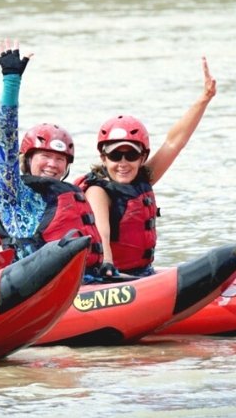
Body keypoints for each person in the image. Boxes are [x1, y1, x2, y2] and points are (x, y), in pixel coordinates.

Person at [0, 38, 105, 275]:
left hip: (84, 281)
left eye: (60, 158)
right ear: (27, 159)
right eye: (45, 155)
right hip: (37, 289)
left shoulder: (66, 193)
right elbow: (6, 137)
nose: (53, 164)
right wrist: (11, 80)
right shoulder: (11, 192)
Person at [79, 57, 218, 277]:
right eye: (115, 155)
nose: (123, 163)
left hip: (142, 273)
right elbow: (101, 232)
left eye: (131, 155)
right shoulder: (97, 191)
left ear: (142, 157)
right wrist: (107, 263)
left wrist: (204, 99)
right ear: (103, 157)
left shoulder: (143, 179)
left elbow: (174, 142)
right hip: (108, 276)